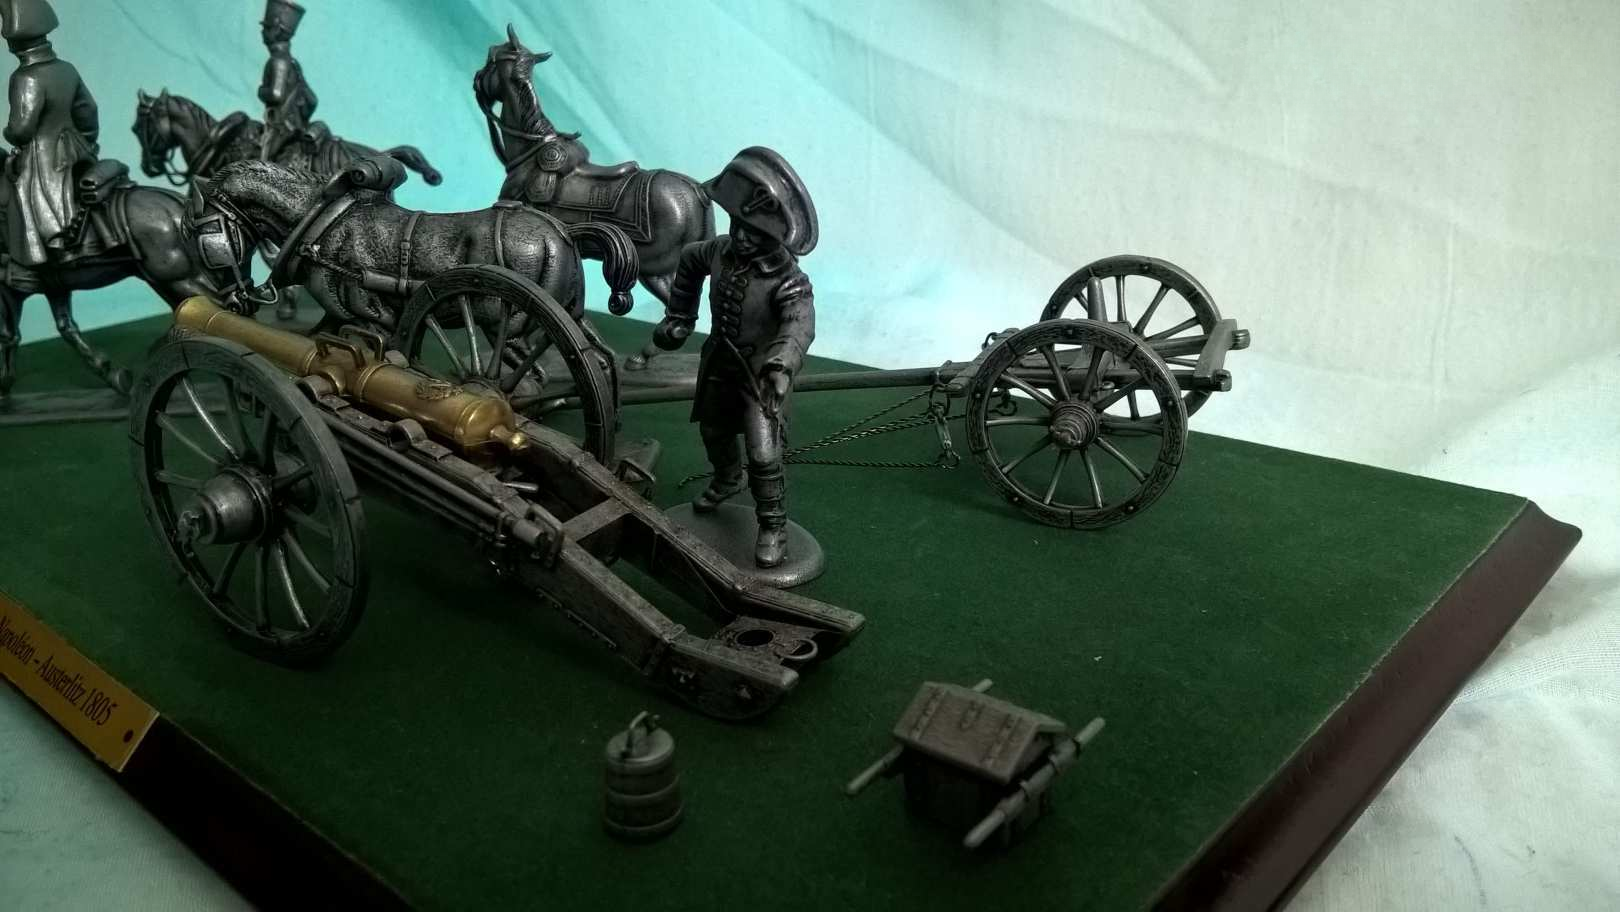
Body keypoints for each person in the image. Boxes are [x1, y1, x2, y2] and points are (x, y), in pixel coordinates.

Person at [649, 147, 820, 568]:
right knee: (713, 431)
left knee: (763, 454)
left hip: (759, 377)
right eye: (737, 225)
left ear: (774, 237)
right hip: (718, 366)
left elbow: (799, 324)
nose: (742, 237)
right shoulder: (717, 251)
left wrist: (781, 365)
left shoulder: (789, 280)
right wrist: (680, 316)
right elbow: (689, 262)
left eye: (754, 232)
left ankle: (773, 525)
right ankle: (727, 479)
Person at [2, 0, 97, 268]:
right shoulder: (67, 68)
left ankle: (35, 257)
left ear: (15, 44)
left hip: (42, 157)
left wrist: (8, 133)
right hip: (75, 147)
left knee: (19, 191)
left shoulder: (25, 78)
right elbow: (88, 110)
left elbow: (22, 129)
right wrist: (88, 139)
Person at [258, 0, 322, 161]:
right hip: (295, 125)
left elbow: (276, 94)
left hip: (281, 128)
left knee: (260, 164)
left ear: (276, 31)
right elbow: (312, 100)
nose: (262, 31)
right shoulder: (293, 63)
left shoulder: (278, 61)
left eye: (266, 28)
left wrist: (260, 91)